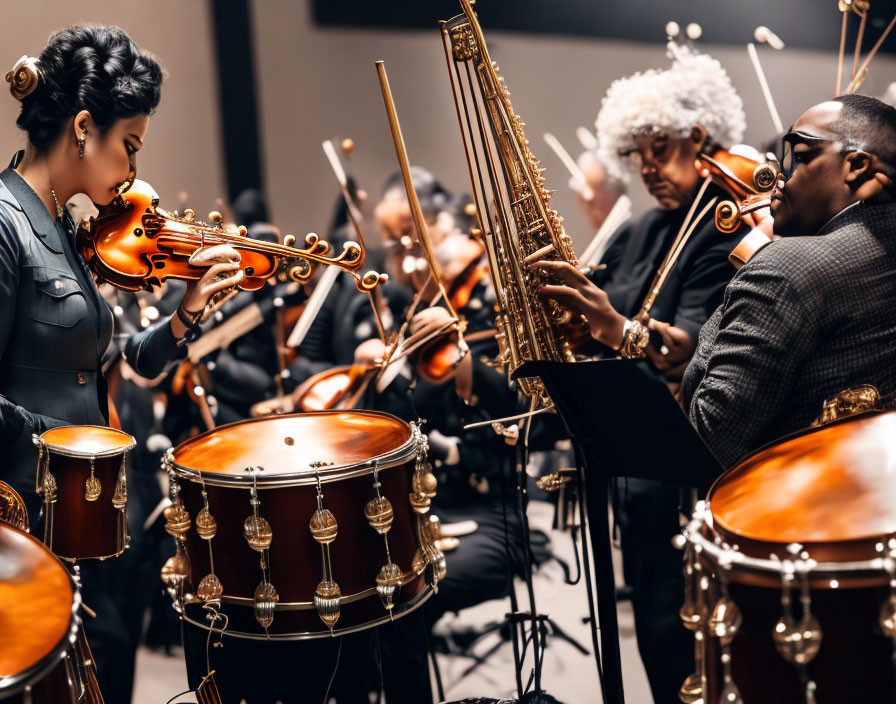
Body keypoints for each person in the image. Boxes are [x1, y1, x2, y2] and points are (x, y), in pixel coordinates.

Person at [0, 26, 242, 701]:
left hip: (86, 520)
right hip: (25, 520)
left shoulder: (71, 227)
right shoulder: (4, 222)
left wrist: (188, 314)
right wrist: (65, 446)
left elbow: (125, 358)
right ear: (83, 127)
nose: (134, 169)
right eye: (129, 145)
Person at [532, 41, 751, 704]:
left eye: (662, 148)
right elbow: (598, 326)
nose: (648, 167)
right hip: (632, 464)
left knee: (687, 639)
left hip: (690, 465)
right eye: (638, 153)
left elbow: (688, 345)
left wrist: (612, 326)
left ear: (701, 137)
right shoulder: (637, 233)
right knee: (654, 645)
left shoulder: (723, 225)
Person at [682, 94, 896, 468]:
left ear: (857, 165)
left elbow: (707, 435)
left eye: (800, 156)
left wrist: (754, 255)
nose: (778, 177)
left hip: (791, 515)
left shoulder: (785, 268)